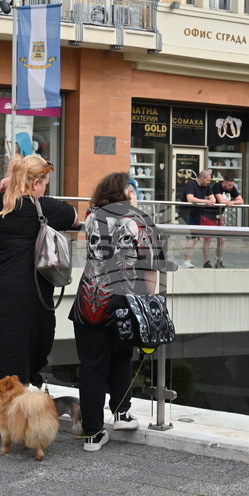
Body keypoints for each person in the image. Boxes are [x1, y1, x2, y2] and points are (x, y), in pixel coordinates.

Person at [0, 155, 79, 435]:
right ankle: (12, 416)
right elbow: (73, 216)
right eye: (45, 184)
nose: (45, 190)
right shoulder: (41, 207)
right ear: (36, 182)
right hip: (21, 289)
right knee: (18, 347)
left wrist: (9, 186)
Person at [70, 173, 170, 451]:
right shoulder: (140, 220)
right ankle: (122, 413)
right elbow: (151, 265)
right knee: (122, 355)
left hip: (89, 300)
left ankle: (92, 434)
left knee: (91, 367)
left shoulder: (91, 217)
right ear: (128, 192)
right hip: (126, 298)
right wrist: (150, 300)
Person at [180, 169, 217, 269]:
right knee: (192, 237)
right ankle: (186, 261)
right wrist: (206, 201)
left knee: (195, 238)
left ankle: (187, 260)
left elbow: (212, 198)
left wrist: (211, 200)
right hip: (186, 212)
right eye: (208, 180)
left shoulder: (207, 186)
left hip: (197, 212)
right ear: (202, 179)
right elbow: (190, 199)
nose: (209, 182)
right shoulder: (191, 185)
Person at [210, 174, 244, 268]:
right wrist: (227, 202)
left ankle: (219, 260)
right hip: (208, 215)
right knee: (207, 239)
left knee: (222, 239)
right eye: (229, 185)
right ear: (223, 182)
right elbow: (221, 200)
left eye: (232, 185)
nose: (231, 187)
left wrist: (232, 202)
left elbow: (241, 201)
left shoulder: (231, 188)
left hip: (219, 215)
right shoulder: (217, 186)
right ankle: (207, 261)